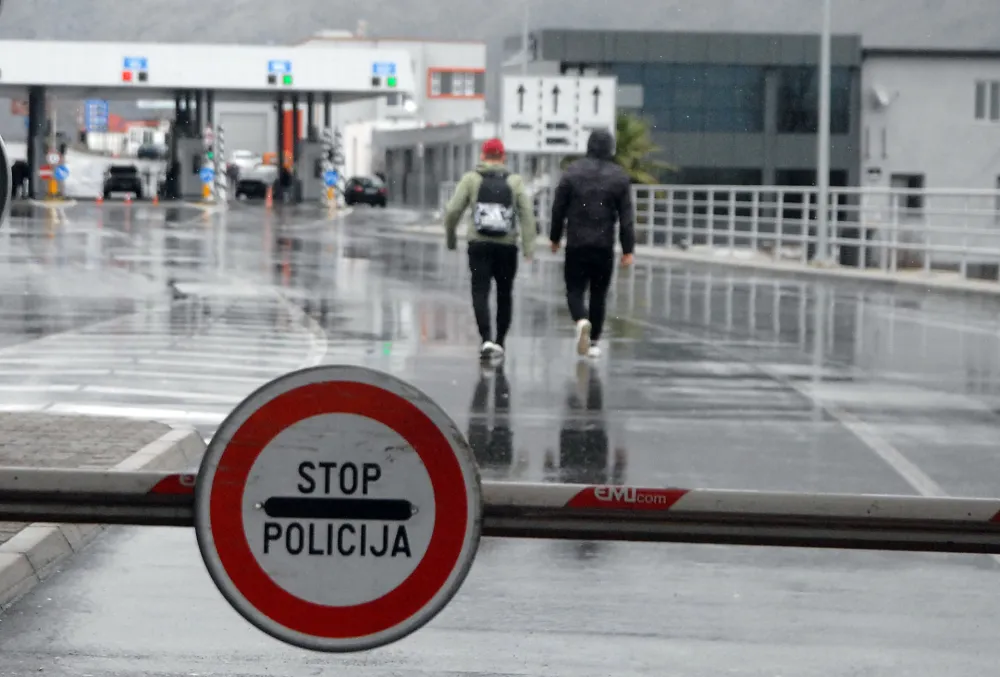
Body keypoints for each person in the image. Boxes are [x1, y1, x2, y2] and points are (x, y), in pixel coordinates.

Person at [444, 138, 536, 360]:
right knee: (505, 294)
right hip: (507, 246)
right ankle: (500, 341)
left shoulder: (471, 179)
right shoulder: (515, 182)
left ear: (482, 156)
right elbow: (527, 214)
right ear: (503, 157)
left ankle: (486, 339)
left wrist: (451, 239)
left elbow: (452, 210)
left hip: (479, 243)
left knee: (480, 291)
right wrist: (528, 247)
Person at [549, 128, 635, 359]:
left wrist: (555, 237)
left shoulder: (571, 173)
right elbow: (626, 216)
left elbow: (558, 209)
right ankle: (594, 341)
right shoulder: (619, 176)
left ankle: (580, 319)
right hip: (603, 244)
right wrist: (628, 249)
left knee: (574, 290)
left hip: (576, 242)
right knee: (599, 294)